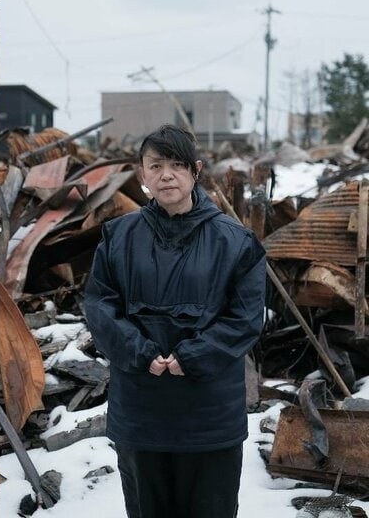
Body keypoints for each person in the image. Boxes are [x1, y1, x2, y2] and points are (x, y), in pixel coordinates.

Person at [84, 124, 266, 518]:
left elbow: (246, 318)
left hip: (209, 413)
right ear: (142, 173)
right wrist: (141, 352)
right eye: (156, 165)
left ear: (195, 170)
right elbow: (100, 305)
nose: (167, 174)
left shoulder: (235, 242)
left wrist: (192, 356)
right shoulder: (119, 236)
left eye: (177, 165)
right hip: (141, 409)